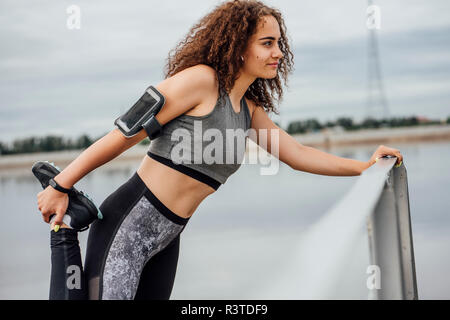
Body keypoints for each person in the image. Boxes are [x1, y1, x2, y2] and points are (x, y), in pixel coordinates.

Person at [36, 0, 403, 300]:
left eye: (279, 43)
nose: (278, 52)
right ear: (238, 45)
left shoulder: (248, 111)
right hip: (126, 230)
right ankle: (70, 211)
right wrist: (61, 185)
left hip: (168, 238)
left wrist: (366, 166)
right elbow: (123, 134)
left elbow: (297, 153)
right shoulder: (199, 81)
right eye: (267, 43)